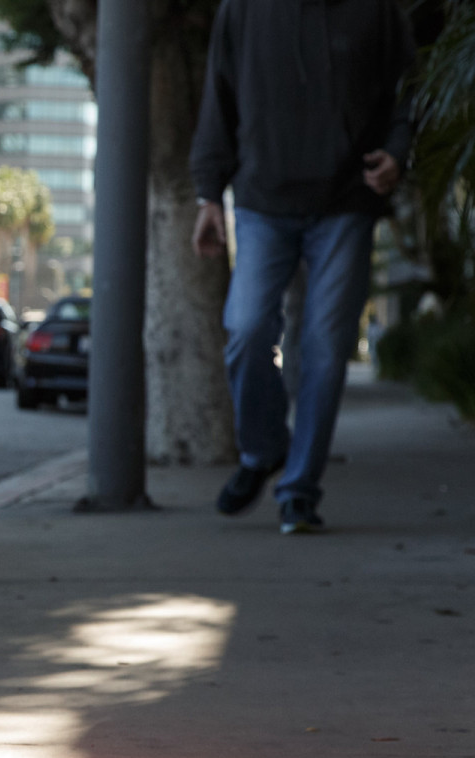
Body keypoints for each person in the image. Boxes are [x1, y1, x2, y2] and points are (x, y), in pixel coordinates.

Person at [189, 0, 415, 534]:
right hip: (262, 200)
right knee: (246, 330)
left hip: (347, 202)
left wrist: (397, 151)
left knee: (325, 351)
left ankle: (298, 490)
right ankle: (264, 449)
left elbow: (409, 88)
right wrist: (208, 195)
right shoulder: (242, 10)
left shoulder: (378, 10)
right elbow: (219, 98)